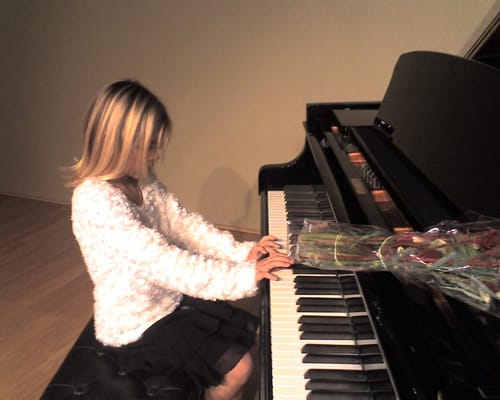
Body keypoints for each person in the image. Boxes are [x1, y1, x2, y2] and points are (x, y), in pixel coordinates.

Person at [63, 79, 292, 400]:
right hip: (134, 327)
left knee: (252, 332)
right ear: (118, 144)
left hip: (165, 300)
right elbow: (166, 263)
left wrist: (242, 253)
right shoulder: (95, 201)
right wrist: (243, 276)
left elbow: (186, 226)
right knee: (240, 368)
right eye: (150, 147)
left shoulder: (141, 181)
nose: (156, 156)